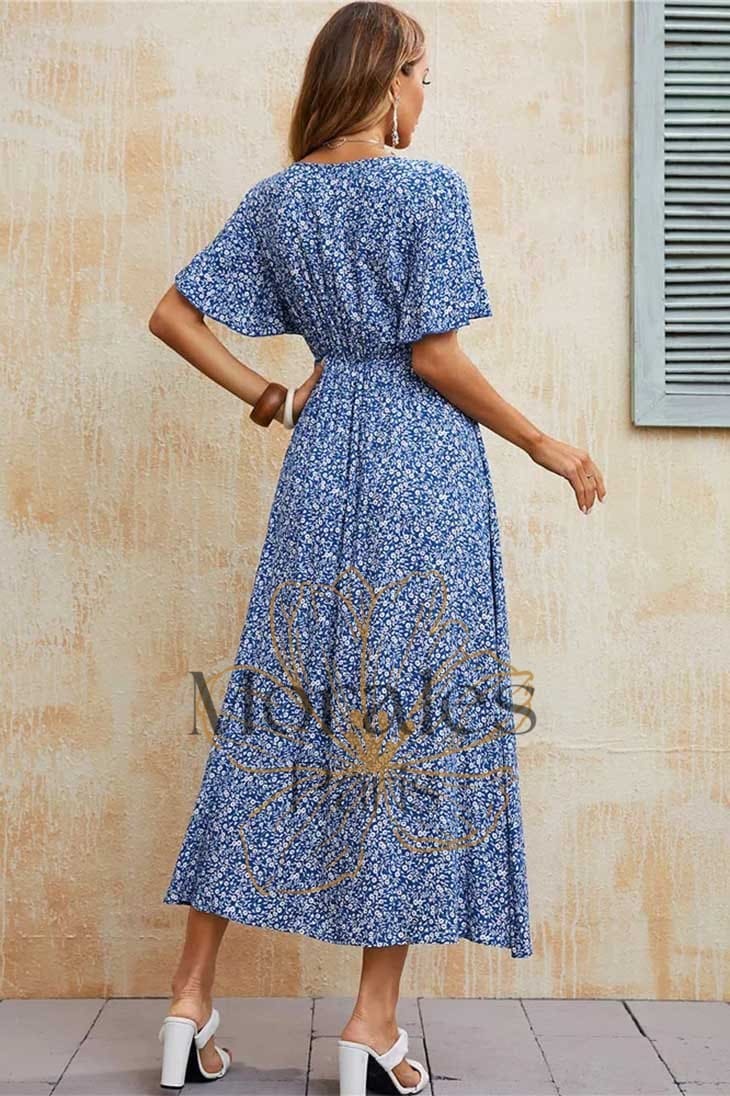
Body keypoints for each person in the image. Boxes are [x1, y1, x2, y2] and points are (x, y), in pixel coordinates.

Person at [149, 2, 606, 1093]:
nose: (424, 96)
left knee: (272, 713)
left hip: (321, 469)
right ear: (389, 79)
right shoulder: (426, 190)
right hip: (421, 473)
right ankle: (370, 1022)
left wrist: (272, 395)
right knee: (408, 722)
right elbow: (434, 359)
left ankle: (189, 999)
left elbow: (171, 315)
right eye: (423, 76)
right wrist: (544, 442)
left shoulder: (278, 199)